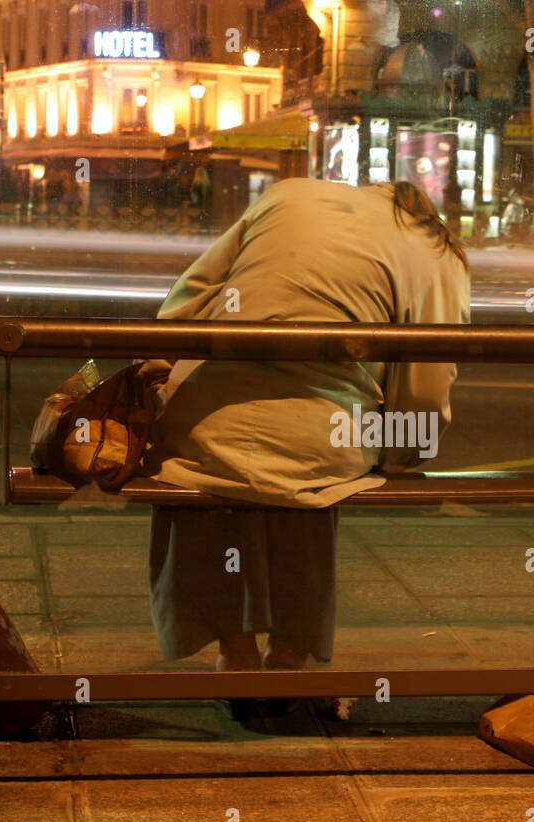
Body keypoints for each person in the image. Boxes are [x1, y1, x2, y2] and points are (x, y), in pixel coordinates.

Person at [144, 177, 471, 713]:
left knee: (224, 465)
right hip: (324, 438)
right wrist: (403, 455)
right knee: (314, 473)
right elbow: (426, 385)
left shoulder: (287, 195)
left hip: (203, 419)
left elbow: (183, 305)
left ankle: (236, 654)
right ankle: (289, 657)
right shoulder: (437, 253)